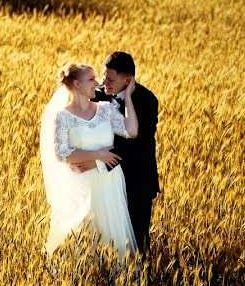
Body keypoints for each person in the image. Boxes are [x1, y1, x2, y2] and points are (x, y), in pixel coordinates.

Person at [39, 62, 139, 260]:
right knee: (84, 233)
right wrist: (98, 155)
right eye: (91, 79)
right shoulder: (63, 117)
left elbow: (131, 131)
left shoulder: (105, 109)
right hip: (83, 183)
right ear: (77, 84)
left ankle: (116, 277)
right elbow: (62, 153)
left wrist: (127, 97)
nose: (98, 83)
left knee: (112, 232)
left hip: (109, 180)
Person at [87, 52, 159, 252]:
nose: (104, 82)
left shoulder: (146, 100)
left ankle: (141, 279)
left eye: (110, 79)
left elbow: (136, 142)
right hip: (104, 181)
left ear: (127, 80)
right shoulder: (96, 94)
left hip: (136, 179)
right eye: (103, 76)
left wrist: (97, 161)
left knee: (137, 238)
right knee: (102, 237)